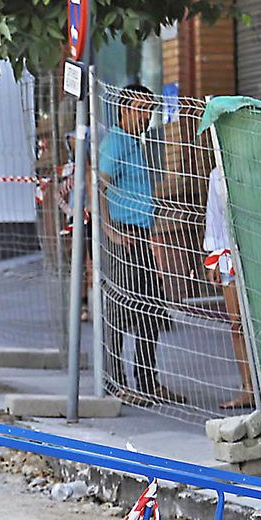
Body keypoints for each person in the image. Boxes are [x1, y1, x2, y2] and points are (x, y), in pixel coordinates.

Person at [98, 84, 179, 406]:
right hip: (123, 236)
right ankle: (114, 383)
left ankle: (147, 381)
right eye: (141, 108)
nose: (146, 116)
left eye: (150, 109)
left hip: (141, 235)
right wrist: (110, 231)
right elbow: (98, 185)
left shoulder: (136, 143)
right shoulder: (116, 143)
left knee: (152, 308)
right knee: (119, 310)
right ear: (124, 110)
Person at [204, 164, 255, 409]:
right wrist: (214, 258)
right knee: (237, 324)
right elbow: (214, 218)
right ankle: (248, 388)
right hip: (228, 256)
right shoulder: (217, 174)